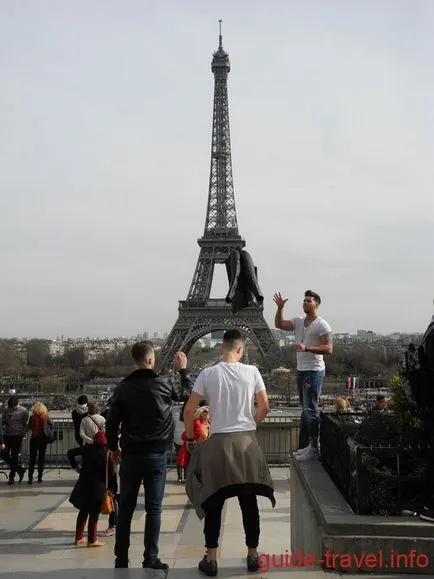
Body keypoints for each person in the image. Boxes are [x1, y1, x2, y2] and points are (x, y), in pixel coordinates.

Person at [183, 329, 275, 576]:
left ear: (221, 348)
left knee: (214, 502)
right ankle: (253, 555)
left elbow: (189, 409)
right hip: (246, 443)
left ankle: (211, 558)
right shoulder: (252, 371)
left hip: (218, 444)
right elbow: (265, 405)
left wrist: (191, 438)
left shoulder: (208, 373)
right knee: (249, 502)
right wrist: (250, 423)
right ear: (240, 349)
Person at [106, 342, 193, 570]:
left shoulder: (122, 388)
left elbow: (112, 422)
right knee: (154, 509)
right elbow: (187, 394)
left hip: (131, 455)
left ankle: (121, 558)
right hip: (156, 454)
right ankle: (150, 557)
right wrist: (183, 369)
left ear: (134, 360)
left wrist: (114, 447)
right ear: (152, 360)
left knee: (125, 507)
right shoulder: (164, 384)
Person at [273, 290, 333, 462]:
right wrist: (280, 308)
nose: (305, 303)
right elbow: (279, 325)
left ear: (317, 304)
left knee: (311, 409)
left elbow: (329, 349)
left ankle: (314, 447)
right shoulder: (299, 321)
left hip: (313, 371)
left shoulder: (322, 325)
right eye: (304, 300)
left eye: (309, 301)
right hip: (301, 369)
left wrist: (307, 348)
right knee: (306, 410)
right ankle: (308, 445)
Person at [68, 431, 116, 547]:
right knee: (94, 514)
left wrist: (76, 467)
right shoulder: (107, 454)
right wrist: (113, 489)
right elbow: (111, 474)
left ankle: (78, 537)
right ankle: (92, 540)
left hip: (84, 483)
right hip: (98, 486)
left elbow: (70, 452)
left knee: (83, 511)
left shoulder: (87, 448)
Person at [2, 397, 28, 484]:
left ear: (18, 404)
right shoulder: (6, 410)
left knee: (14, 455)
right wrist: (6, 420)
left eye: (14, 407)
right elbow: (2, 421)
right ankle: (19, 469)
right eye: (11, 407)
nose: (12, 409)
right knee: (3, 453)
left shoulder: (24, 411)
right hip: (7, 435)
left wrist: (23, 433)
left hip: (17, 435)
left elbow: (25, 424)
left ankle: (11, 477)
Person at [176, 405, 210, 472]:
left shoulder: (209, 423)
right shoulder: (196, 423)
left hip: (207, 450)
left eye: (209, 411)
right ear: (199, 413)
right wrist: (191, 441)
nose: (207, 413)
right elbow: (184, 435)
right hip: (198, 450)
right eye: (205, 411)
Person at [27, 402, 51, 484]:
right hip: (43, 439)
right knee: (41, 458)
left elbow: (29, 426)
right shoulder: (45, 417)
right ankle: (39, 477)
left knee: (32, 458)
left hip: (34, 439)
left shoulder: (32, 417)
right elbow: (52, 424)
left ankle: (30, 478)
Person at [173, 402, 187, 483]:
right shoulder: (189, 415)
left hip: (177, 438)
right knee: (186, 458)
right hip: (185, 437)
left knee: (179, 457)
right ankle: (185, 476)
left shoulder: (175, 415)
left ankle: (179, 477)